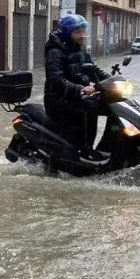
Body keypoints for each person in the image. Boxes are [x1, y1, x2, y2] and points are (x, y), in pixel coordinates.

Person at [44, 14, 111, 165]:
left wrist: (112, 80)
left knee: (109, 105)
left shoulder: (80, 49)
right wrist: (80, 88)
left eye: (83, 31)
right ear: (67, 33)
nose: (82, 35)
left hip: (77, 95)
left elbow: (94, 69)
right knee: (91, 107)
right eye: (77, 32)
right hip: (58, 99)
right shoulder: (55, 51)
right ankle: (84, 150)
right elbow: (56, 79)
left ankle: (108, 146)